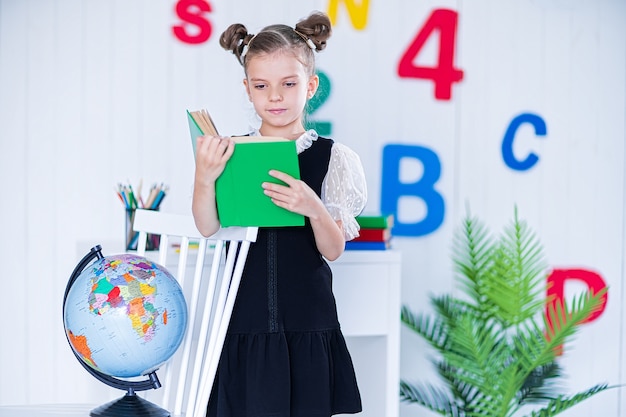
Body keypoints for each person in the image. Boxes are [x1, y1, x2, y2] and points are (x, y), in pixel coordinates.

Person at [192, 10, 367, 417]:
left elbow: (333, 249)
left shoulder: (332, 157)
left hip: (307, 318)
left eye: (289, 84)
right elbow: (207, 226)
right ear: (248, 89)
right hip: (243, 319)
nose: (275, 96)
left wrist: (313, 208)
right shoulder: (228, 152)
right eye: (262, 85)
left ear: (311, 86)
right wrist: (204, 177)